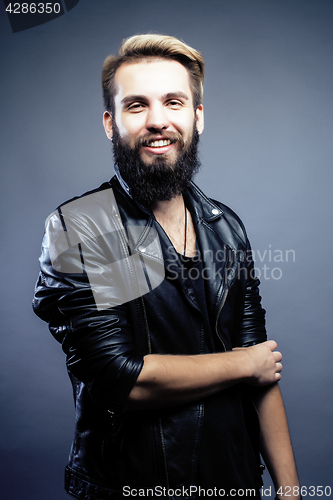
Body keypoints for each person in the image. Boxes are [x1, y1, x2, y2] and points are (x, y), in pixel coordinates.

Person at [33, 34, 300, 500]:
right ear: (110, 123)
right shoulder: (92, 226)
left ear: (197, 117)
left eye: (173, 102)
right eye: (136, 106)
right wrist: (244, 363)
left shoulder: (224, 226)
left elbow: (262, 375)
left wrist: (291, 491)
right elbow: (125, 380)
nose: (158, 121)